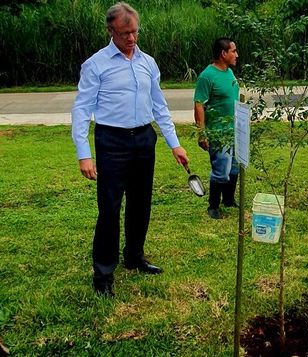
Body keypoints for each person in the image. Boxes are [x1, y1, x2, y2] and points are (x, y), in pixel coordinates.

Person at [71, 2, 189, 297]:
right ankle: (103, 273)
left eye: (135, 32)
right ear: (111, 31)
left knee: (141, 202)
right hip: (112, 142)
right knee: (109, 208)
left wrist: (175, 143)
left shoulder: (148, 62)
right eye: (125, 33)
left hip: (144, 139)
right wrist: (84, 152)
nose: (131, 38)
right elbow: (82, 110)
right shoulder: (96, 64)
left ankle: (134, 257)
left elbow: (159, 105)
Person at [193, 37, 240, 219]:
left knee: (234, 167)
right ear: (223, 53)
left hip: (234, 130)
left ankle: (228, 200)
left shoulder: (229, 72)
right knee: (221, 169)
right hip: (219, 133)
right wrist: (202, 133)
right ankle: (213, 206)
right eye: (233, 51)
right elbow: (199, 105)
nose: (237, 55)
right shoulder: (207, 76)